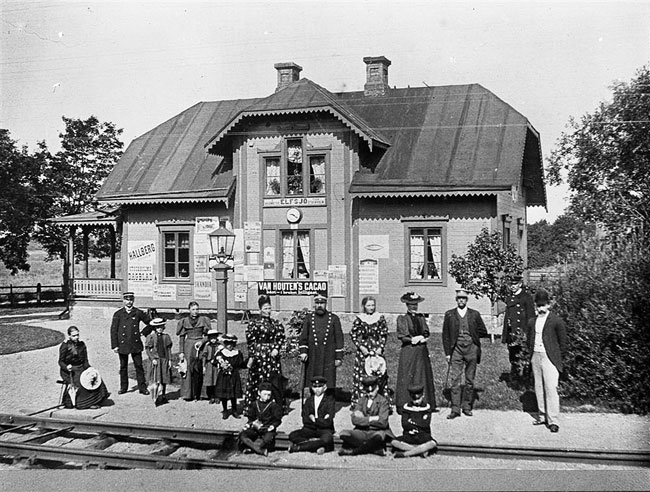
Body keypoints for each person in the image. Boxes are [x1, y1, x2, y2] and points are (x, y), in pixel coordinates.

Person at [442, 289, 489, 419]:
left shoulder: (474, 314)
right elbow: (445, 335)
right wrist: (447, 353)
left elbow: (483, 331)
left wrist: (472, 337)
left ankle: (467, 406)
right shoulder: (450, 315)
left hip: (471, 349)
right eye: (459, 298)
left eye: (463, 298)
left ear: (467, 300)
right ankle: (455, 409)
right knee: (455, 379)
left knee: (469, 380)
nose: (461, 300)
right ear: (456, 300)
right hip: (456, 350)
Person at [526, 289, 567, 433]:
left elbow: (563, 343)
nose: (540, 308)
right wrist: (531, 355)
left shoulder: (556, 321)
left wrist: (556, 358)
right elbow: (529, 339)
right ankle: (542, 416)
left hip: (550, 357)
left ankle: (553, 420)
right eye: (538, 305)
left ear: (549, 305)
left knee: (551, 389)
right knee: (539, 388)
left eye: (543, 305)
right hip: (535, 356)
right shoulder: (532, 321)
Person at [395, 292, 437, 415]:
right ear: (407, 305)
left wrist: (422, 337)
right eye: (411, 304)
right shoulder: (402, 319)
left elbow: (426, 332)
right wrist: (412, 339)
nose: (414, 307)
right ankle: (405, 403)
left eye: (415, 304)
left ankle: (425, 402)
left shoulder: (421, 317)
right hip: (409, 351)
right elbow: (402, 335)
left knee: (421, 374)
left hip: (421, 351)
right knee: (408, 375)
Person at [243, 295, 286, 413]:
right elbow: (250, 341)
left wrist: (277, 348)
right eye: (265, 308)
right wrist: (252, 355)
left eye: (269, 308)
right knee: (257, 379)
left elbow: (281, 338)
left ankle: (275, 407)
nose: (268, 311)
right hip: (259, 355)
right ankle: (254, 407)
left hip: (272, 356)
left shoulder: (276, 324)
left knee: (273, 379)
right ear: (260, 309)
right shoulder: (254, 324)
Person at [350, 296, 391, 410]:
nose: (371, 308)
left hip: (376, 349)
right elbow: (353, 335)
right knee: (364, 374)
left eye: (373, 305)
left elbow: (384, 334)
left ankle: (380, 404)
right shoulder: (360, 319)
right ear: (364, 306)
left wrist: (380, 348)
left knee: (378, 372)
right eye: (368, 305)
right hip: (364, 350)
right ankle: (361, 403)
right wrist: (361, 347)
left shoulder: (379, 318)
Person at [299, 294, 345, 394]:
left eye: (322, 303)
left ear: (326, 304)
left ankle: (327, 405)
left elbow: (339, 339)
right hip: (313, 355)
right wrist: (303, 351)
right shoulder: (309, 318)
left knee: (328, 382)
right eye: (317, 303)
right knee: (313, 380)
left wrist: (338, 357)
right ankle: (313, 404)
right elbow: (303, 337)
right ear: (314, 304)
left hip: (328, 356)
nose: (319, 305)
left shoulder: (334, 319)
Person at [338, 376, 394, 456]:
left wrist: (363, 419)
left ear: (377, 388)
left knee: (379, 436)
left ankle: (354, 452)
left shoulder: (383, 401)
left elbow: (383, 422)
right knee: (343, 433)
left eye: (372, 391)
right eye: (367, 392)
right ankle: (373, 449)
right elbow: (354, 420)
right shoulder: (362, 400)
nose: (370, 394)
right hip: (362, 431)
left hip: (376, 432)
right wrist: (372, 419)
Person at [110, 291, 153, 395]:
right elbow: (113, 330)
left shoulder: (138, 312)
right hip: (123, 344)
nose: (129, 302)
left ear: (133, 300)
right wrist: (115, 345)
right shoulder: (118, 314)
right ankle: (123, 387)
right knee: (123, 366)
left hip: (135, 343)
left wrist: (143, 332)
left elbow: (151, 323)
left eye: (131, 300)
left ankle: (142, 388)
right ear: (123, 300)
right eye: (127, 300)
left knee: (139, 365)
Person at [59, 326, 110, 409]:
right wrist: (66, 367)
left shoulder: (82, 345)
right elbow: (60, 361)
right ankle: (84, 403)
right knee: (81, 381)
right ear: (69, 336)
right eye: (74, 336)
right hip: (70, 370)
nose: (76, 337)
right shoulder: (65, 346)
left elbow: (85, 360)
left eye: (77, 335)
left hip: (81, 367)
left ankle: (97, 399)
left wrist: (90, 369)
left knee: (94, 377)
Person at [288, 375, 336, 454]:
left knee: (327, 439)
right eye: (315, 387)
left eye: (320, 387)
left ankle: (299, 447)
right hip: (310, 429)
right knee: (293, 435)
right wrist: (321, 420)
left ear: (325, 387)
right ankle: (317, 445)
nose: (317, 389)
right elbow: (305, 419)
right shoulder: (309, 401)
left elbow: (328, 422)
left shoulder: (329, 401)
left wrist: (314, 420)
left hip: (324, 429)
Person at [501, 274, 535, 384]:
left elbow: (531, 317)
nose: (512, 286)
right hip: (512, 333)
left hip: (523, 333)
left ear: (520, 284)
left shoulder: (526, 297)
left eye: (515, 284)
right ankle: (514, 378)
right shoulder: (510, 297)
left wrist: (528, 333)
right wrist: (506, 334)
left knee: (525, 356)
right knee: (513, 355)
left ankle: (526, 379)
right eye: (511, 284)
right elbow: (508, 317)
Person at [176, 301, 211, 401]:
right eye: (193, 309)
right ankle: (188, 394)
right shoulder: (184, 321)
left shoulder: (203, 320)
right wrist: (181, 352)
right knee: (188, 369)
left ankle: (202, 394)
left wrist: (202, 341)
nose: (195, 312)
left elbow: (209, 335)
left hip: (200, 346)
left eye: (197, 309)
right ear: (189, 310)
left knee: (201, 367)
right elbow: (182, 338)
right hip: (188, 347)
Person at [391, 384, 437, 458]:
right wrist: (418, 422)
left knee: (432, 443)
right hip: (409, 434)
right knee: (394, 442)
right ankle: (419, 451)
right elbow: (405, 424)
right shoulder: (406, 407)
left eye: (418, 399)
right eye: (414, 399)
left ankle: (405, 454)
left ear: (423, 395)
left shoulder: (426, 407)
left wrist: (411, 421)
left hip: (423, 435)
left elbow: (425, 424)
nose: (416, 402)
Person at [239, 381, 284, 456]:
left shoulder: (273, 405)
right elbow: (251, 418)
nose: (267, 397)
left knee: (267, 439)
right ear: (259, 393)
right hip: (256, 429)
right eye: (265, 394)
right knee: (242, 435)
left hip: (267, 429)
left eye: (269, 395)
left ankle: (253, 448)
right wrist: (249, 424)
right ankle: (259, 450)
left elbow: (277, 420)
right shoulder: (254, 404)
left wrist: (273, 426)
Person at [214, 334, 245, 419]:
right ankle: (225, 410)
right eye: (227, 344)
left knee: (233, 393)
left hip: (234, 374)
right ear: (225, 344)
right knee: (224, 393)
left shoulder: (237, 353)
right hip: (224, 375)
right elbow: (214, 362)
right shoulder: (221, 353)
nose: (229, 346)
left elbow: (240, 363)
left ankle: (234, 410)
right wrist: (221, 365)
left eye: (231, 344)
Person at [144, 318, 173, 406]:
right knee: (156, 378)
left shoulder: (166, 337)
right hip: (156, 360)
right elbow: (148, 349)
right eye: (157, 327)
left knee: (164, 378)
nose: (159, 329)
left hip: (164, 359)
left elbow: (168, 349)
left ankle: (163, 395)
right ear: (154, 328)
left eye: (161, 327)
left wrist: (170, 360)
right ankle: (155, 395)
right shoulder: (151, 337)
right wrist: (152, 358)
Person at [202, 329, 224, 405]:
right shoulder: (207, 346)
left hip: (217, 365)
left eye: (214, 338)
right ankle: (211, 396)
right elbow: (204, 356)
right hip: (209, 365)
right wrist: (203, 366)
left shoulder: (219, 346)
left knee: (216, 381)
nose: (213, 340)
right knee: (210, 381)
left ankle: (217, 396)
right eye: (211, 338)